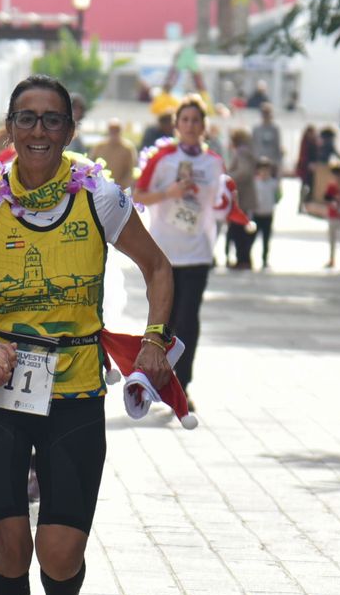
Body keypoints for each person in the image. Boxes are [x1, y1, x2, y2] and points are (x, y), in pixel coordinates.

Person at [0, 75, 174, 595]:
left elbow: (158, 268)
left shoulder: (98, 197)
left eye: (52, 121)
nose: (39, 132)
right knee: (8, 545)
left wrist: (155, 340)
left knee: (60, 553)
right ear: (10, 128)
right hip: (1, 390)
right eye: (27, 119)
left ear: (70, 131)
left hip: (75, 389)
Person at [134, 97, 226, 396]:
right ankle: (157, 378)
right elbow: (139, 194)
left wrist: (220, 202)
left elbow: (221, 201)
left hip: (197, 251)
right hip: (163, 254)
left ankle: (182, 385)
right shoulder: (162, 158)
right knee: (164, 322)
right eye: (184, 120)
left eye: (196, 121)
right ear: (176, 124)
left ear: (204, 126)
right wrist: (169, 192)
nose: (190, 126)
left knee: (188, 320)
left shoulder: (213, 161)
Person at [226, 127, 258, 270]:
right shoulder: (248, 152)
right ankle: (243, 259)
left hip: (242, 197)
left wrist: (228, 177)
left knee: (238, 230)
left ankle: (242, 260)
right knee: (240, 230)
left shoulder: (241, 153)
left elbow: (244, 171)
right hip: (245, 196)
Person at [89, 119, 137, 190]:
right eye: (112, 129)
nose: (114, 132)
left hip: (120, 188)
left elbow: (130, 170)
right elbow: (90, 164)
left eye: (116, 130)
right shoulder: (99, 146)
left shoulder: (128, 148)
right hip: (101, 187)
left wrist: (123, 186)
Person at [321, 164, 340, 269]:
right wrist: (333, 201)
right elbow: (326, 198)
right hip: (333, 215)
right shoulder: (331, 186)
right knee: (332, 238)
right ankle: (331, 259)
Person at [252, 157, 279, 269]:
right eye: (262, 170)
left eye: (267, 170)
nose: (264, 173)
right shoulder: (255, 183)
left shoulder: (273, 183)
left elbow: (278, 196)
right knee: (251, 237)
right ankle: (247, 257)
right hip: (256, 214)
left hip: (268, 214)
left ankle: (264, 259)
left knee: (266, 239)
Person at [252, 102, 283, 169]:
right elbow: (253, 145)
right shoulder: (256, 129)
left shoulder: (275, 129)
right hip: (259, 163)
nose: (265, 115)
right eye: (264, 113)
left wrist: (278, 164)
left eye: (267, 113)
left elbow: (277, 146)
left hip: (271, 163)